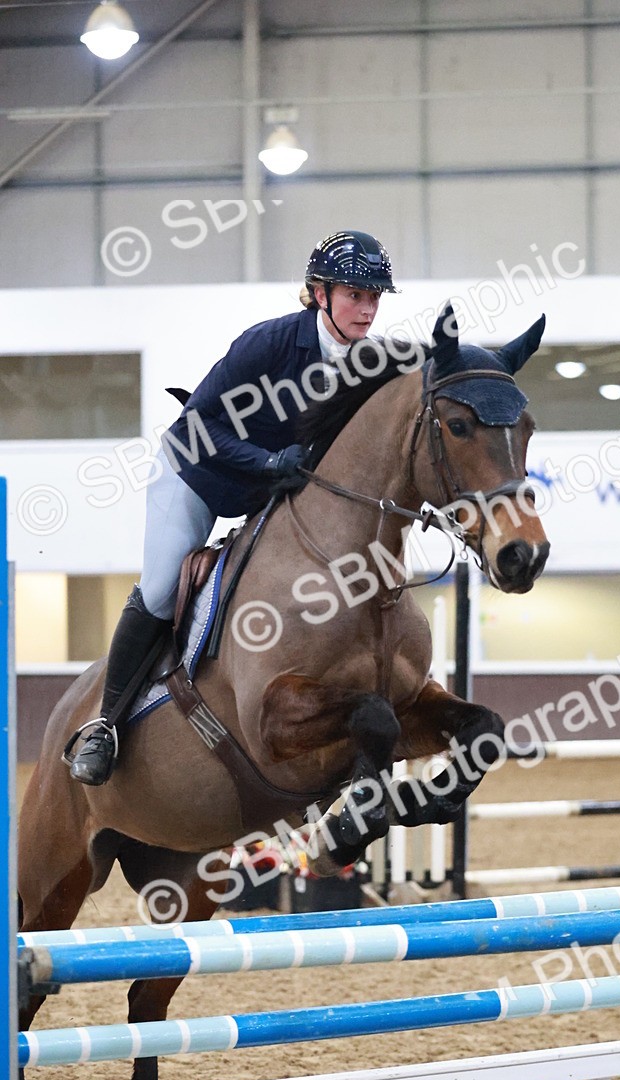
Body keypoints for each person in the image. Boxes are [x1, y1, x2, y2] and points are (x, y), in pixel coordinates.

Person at [68, 230, 397, 786]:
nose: (367, 309)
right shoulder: (269, 343)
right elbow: (195, 427)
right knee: (160, 589)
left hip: (267, 493)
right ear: (321, 294)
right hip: (198, 475)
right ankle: (105, 726)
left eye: (374, 297)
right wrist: (267, 462)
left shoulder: (369, 362)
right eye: (354, 294)